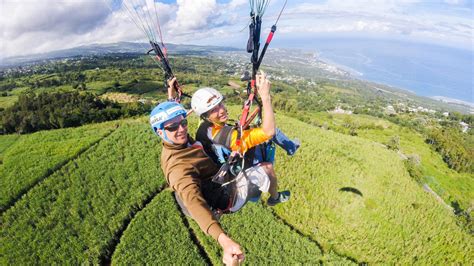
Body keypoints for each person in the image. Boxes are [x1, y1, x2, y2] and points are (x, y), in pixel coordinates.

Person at [150, 74, 278, 264]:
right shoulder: (178, 169)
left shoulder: (176, 140)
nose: (181, 129)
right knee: (267, 168)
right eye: (173, 127)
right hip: (225, 197)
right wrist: (224, 241)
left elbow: (174, 122)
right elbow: (194, 203)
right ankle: (274, 198)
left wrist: (172, 97)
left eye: (183, 123)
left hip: (211, 180)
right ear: (160, 132)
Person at [191, 72, 296, 205]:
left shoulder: (203, 128)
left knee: (254, 131)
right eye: (214, 110)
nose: (221, 110)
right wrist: (266, 97)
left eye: (220, 105)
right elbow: (269, 131)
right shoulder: (233, 137)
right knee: (268, 164)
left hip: (223, 163)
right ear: (206, 116)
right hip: (236, 173)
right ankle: (274, 198)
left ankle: (291, 147)